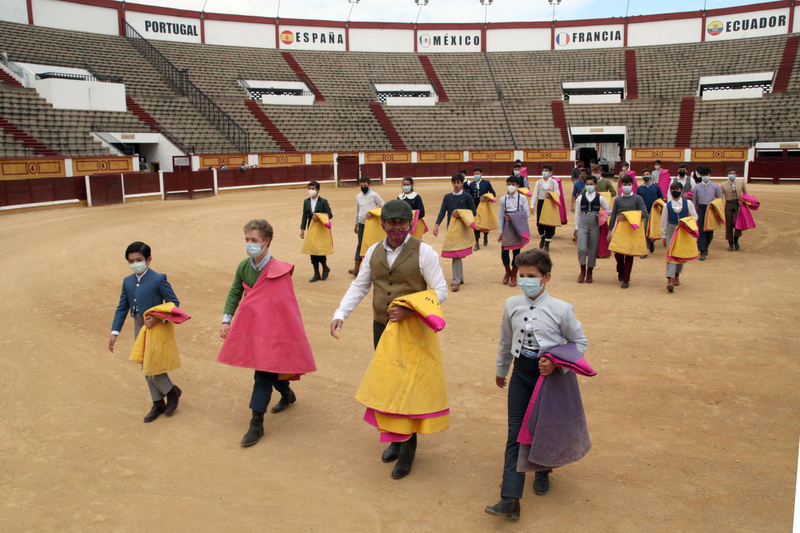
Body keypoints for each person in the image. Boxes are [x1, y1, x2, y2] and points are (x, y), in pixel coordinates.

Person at [331, 200, 448, 479]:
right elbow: (360, 285)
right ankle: (396, 441)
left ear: (411, 223)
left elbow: (441, 290)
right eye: (391, 222)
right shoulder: (373, 250)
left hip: (412, 333)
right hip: (382, 328)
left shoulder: (424, 252)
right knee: (388, 386)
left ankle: (407, 454)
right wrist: (341, 313)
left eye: (402, 222)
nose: (397, 228)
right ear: (382, 223)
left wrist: (409, 308)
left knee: (407, 390)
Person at [485, 249, 589, 521]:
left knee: (545, 426)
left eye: (531, 276)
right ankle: (510, 498)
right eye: (522, 275)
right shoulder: (512, 304)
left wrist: (557, 363)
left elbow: (580, 342)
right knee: (515, 431)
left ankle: (543, 470)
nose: (525, 281)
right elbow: (506, 341)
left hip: (549, 378)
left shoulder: (561, 309)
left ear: (546, 278)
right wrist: (501, 369)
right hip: (521, 372)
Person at [218, 219, 317, 447]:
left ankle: (256, 424)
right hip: (252, 328)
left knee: (262, 374)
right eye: (247, 240)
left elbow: (286, 308)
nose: (249, 244)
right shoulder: (244, 267)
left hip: (275, 331)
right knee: (270, 369)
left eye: (254, 240)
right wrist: (226, 320)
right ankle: (286, 393)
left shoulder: (279, 270)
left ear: (266, 242)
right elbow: (235, 292)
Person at [109, 241, 182, 423]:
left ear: (148, 260)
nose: (135, 264)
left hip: (156, 327)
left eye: (138, 260)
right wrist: (114, 332)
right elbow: (122, 308)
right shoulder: (127, 281)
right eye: (131, 261)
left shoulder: (158, 278)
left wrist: (160, 318)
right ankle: (158, 402)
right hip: (139, 326)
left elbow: (174, 303)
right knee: (145, 364)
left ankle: (170, 393)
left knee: (152, 364)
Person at [434, 173, 477, 292]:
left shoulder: (467, 196)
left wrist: (461, 213)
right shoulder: (447, 197)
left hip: (463, 228)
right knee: (456, 253)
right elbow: (442, 211)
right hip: (451, 228)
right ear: (452, 183)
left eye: (458, 182)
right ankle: (459, 278)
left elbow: (473, 212)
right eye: (454, 182)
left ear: (462, 183)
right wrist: (437, 224)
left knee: (457, 254)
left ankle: (457, 279)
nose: (456, 185)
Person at [608, 175, 649, 289]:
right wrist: (609, 231)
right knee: (618, 253)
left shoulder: (637, 198)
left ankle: (626, 279)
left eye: (629, 185)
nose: (626, 187)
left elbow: (645, 213)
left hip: (632, 229)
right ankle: (620, 269)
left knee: (629, 255)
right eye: (624, 185)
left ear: (632, 185)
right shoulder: (618, 199)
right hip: (620, 229)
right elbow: (613, 215)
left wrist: (627, 216)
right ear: (621, 186)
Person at [662, 182, 699, 292]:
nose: (675, 191)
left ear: (681, 190)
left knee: (680, 254)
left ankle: (677, 274)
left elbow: (695, 217)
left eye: (677, 189)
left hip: (683, 232)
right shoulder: (666, 205)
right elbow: (664, 222)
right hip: (671, 231)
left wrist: (685, 222)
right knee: (671, 255)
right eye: (673, 189)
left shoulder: (688, 203)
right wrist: (663, 236)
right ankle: (671, 279)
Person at [574, 176, 611, 284]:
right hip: (583, 223)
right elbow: (577, 214)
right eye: (588, 184)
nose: (589, 186)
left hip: (595, 224)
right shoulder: (580, 198)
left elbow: (609, 211)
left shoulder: (600, 198)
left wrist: (602, 214)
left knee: (593, 249)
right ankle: (582, 271)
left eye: (591, 184)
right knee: (581, 248)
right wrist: (576, 229)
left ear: (595, 185)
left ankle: (590, 272)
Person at [497, 176, 530, 287]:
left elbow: (527, 214)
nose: (511, 186)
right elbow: (501, 216)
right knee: (504, 252)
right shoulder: (503, 199)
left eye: (513, 184)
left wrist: (513, 217)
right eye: (509, 184)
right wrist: (501, 232)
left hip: (517, 227)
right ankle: (508, 271)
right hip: (507, 227)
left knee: (516, 252)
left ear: (518, 186)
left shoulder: (522, 198)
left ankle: (514, 274)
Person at [351, 176, 385, 277]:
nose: (363, 187)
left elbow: (384, 207)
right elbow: (358, 211)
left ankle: (374, 268)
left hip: (372, 225)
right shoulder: (358, 196)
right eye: (361, 186)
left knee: (373, 245)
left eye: (365, 185)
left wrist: (373, 213)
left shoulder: (375, 195)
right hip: (361, 223)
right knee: (360, 244)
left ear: (369, 185)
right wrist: (356, 224)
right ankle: (356, 268)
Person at [300, 180, 333, 282]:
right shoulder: (306, 202)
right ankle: (316, 273)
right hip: (311, 227)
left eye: (313, 189)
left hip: (321, 228)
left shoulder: (323, 201)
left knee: (319, 249)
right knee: (312, 249)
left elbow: (330, 215)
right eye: (309, 189)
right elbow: (304, 216)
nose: (311, 190)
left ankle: (325, 268)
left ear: (318, 190)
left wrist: (318, 216)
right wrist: (302, 229)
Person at [692, 166, 723, 261]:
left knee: (710, 230)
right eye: (703, 175)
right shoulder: (697, 187)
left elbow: (720, 199)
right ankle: (702, 250)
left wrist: (714, 206)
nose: (705, 177)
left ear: (709, 175)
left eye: (706, 175)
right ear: (700, 175)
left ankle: (705, 246)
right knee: (701, 230)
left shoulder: (715, 186)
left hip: (711, 209)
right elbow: (694, 201)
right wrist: (694, 213)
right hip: (701, 209)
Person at [635, 168, 664, 255]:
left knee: (653, 229)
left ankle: (651, 241)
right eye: (644, 175)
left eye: (647, 174)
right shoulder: (639, 189)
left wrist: (658, 203)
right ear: (642, 177)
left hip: (654, 212)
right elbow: (637, 200)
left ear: (650, 175)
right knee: (644, 229)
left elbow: (661, 197)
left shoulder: (656, 187)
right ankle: (646, 246)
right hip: (643, 211)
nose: (646, 176)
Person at [532, 165, 560, 251]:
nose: (544, 172)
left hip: (550, 203)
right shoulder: (538, 182)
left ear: (550, 172)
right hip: (541, 202)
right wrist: (532, 205)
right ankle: (542, 236)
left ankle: (547, 243)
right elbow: (535, 194)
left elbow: (558, 193)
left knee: (549, 223)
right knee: (539, 223)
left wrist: (551, 195)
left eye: (546, 170)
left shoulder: (554, 182)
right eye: (543, 170)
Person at [468, 167, 496, 250]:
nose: (476, 175)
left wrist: (486, 198)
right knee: (476, 223)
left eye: (478, 173)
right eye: (475, 174)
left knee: (484, 222)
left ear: (481, 174)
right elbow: (469, 196)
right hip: (475, 205)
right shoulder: (471, 184)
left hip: (484, 205)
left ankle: (485, 236)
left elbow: (493, 193)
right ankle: (477, 243)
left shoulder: (486, 183)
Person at [720, 168, 747, 251]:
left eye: (733, 173)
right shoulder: (723, 184)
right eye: (729, 173)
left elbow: (746, 194)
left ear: (736, 174)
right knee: (729, 224)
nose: (731, 174)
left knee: (738, 224)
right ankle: (730, 243)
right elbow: (720, 197)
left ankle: (736, 240)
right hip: (728, 204)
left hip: (738, 204)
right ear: (727, 175)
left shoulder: (741, 183)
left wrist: (742, 201)